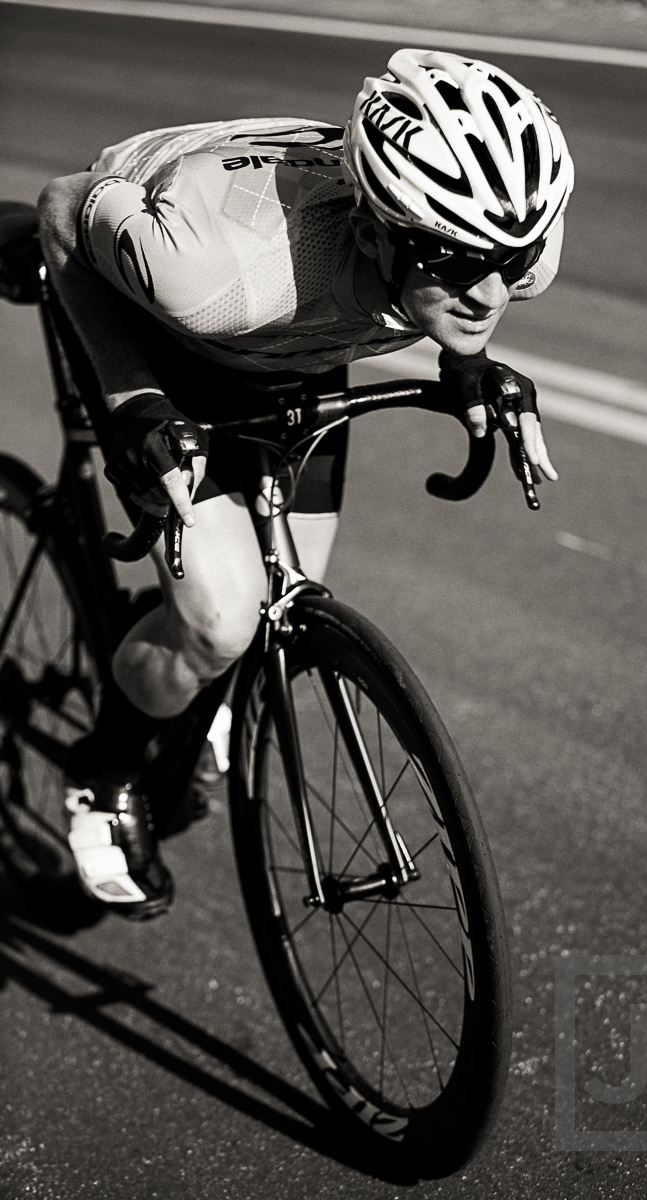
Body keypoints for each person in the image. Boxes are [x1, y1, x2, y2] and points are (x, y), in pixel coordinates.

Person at [38, 48, 574, 919]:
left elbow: (475, 267)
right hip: (165, 334)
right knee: (220, 619)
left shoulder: (514, 249)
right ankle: (103, 768)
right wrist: (135, 400)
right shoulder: (213, 275)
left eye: (508, 261)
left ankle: (197, 696)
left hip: (301, 345)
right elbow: (64, 208)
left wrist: (466, 358)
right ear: (374, 232)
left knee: (286, 606)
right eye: (453, 261)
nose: (492, 290)